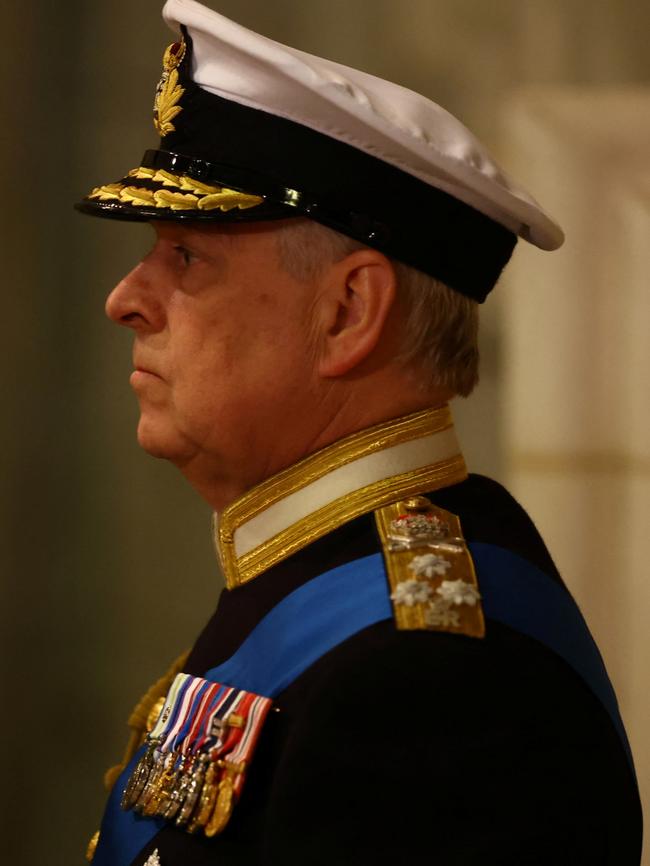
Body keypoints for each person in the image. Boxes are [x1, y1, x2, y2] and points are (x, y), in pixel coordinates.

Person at [76, 1, 643, 864]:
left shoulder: (430, 681)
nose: (125, 299)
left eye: (186, 256)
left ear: (349, 311)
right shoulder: (331, 573)